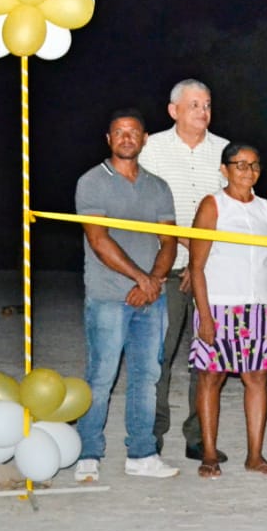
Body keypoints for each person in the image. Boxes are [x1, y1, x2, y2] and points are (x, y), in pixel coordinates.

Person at [74, 110, 179, 482]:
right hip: (108, 297)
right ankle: (88, 452)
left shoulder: (158, 186)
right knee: (101, 376)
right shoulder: (92, 182)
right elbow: (99, 240)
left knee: (146, 376)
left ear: (145, 138)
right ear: (108, 139)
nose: (126, 138)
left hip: (151, 298)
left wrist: (153, 281)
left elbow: (169, 241)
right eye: (118, 132)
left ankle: (142, 453)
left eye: (133, 132)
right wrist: (141, 278)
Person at [138, 79, 230, 462]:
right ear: (174, 110)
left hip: (211, 271)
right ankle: (150, 435)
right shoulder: (152, 149)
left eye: (207, 105)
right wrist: (190, 258)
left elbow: (228, 209)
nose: (203, 113)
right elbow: (149, 209)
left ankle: (198, 436)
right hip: (169, 268)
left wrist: (201, 263)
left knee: (206, 356)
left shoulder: (224, 150)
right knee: (157, 356)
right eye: (194, 105)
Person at [187, 143, 267, 478]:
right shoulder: (212, 205)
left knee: (257, 377)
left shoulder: (266, 209)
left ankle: (255, 455)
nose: (248, 171)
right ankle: (210, 453)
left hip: (260, 305)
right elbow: (197, 265)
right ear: (225, 169)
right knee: (212, 377)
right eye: (240, 165)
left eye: (254, 165)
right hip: (219, 304)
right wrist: (203, 314)